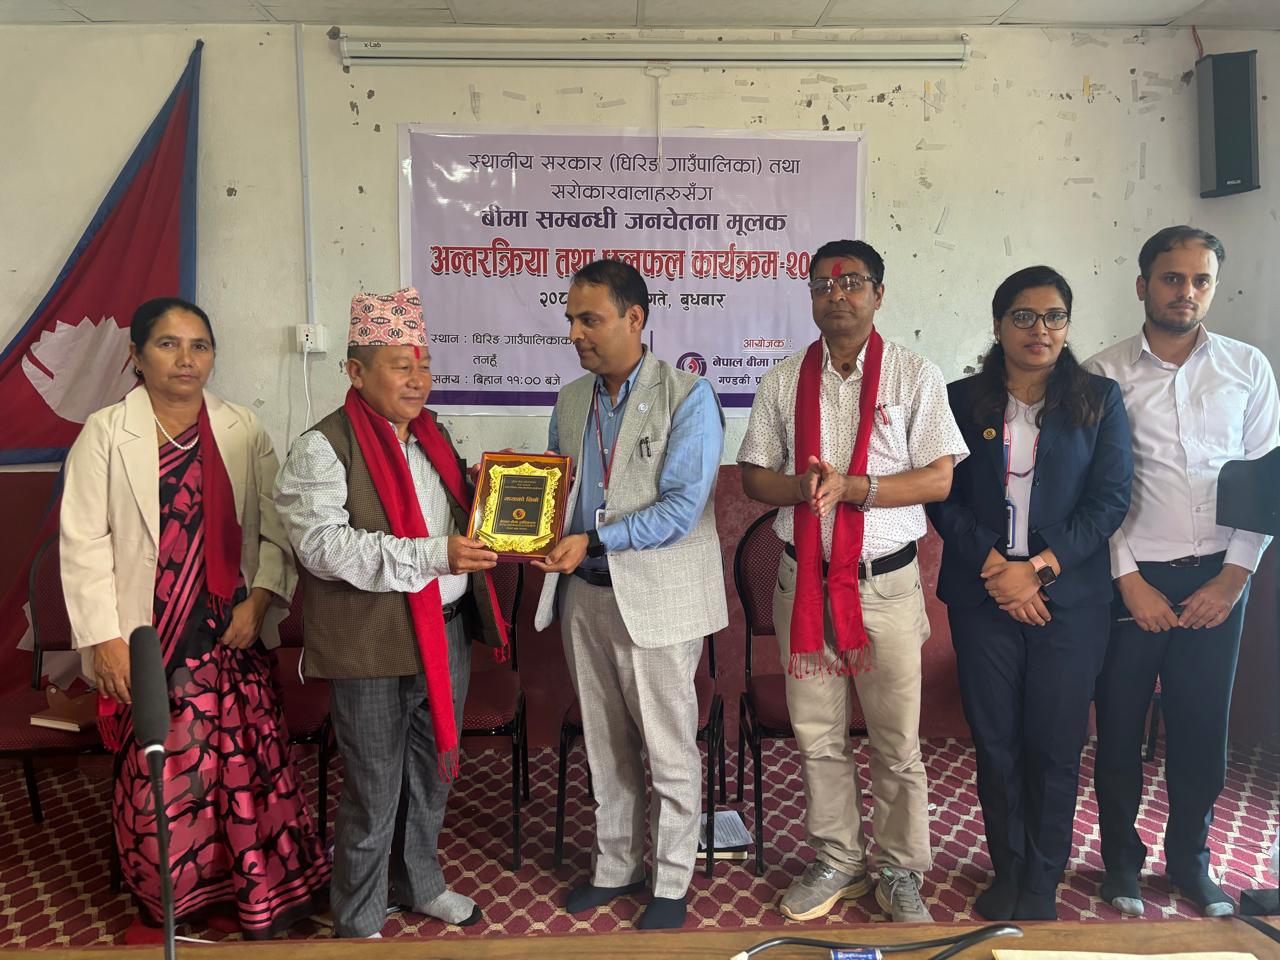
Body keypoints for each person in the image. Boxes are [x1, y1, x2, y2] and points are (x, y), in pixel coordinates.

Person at [60, 297, 329, 940]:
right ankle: (173, 904)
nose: (186, 359)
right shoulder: (106, 432)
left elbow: (277, 529)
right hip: (147, 636)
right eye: (168, 344)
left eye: (199, 345)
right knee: (167, 770)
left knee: (247, 765)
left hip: (230, 629)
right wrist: (104, 639)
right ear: (136, 355)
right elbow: (83, 541)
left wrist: (260, 600)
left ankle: (259, 895)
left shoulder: (242, 427)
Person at [738, 239, 968, 924]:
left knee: (896, 741)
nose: (836, 296)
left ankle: (899, 868)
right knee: (818, 735)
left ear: (879, 294)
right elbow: (753, 476)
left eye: (852, 284)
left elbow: (939, 477)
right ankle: (839, 858)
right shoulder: (783, 379)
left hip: (885, 586)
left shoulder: (914, 375)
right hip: (803, 584)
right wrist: (802, 487)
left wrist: (856, 489)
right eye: (822, 286)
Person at [274, 287, 508, 939]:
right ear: (355, 371)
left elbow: (458, 519)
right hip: (370, 644)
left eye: (424, 365)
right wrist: (435, 554)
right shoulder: (323, 447)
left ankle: (419, 883)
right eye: (401, 365)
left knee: (432, 775)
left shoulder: (435, 438)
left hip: (445, 635)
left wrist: (501, 515)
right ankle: (360, 916)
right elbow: (323, 548)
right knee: (374, 787)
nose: (418, 379)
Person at [926, 266, 1133, 921]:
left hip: (1069, 603)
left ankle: (1042, 881)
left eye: (1054, 316)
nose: (1039, 329)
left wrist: (1037, 568)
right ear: (998, 324)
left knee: (1055, 745)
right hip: (983, 597)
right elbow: (944, 497)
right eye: (1023, 316)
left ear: (1067, 325)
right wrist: (996, 565)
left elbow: (1109, 502)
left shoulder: (1099, 400)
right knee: (996, 743)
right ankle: (1007, 869)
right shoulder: (961, 400)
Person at [1085, 226, 1279, 918]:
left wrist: (1233, 579)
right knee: (1119, 731)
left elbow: (1267, 481)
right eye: (1172, 278)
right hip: (1131, 583)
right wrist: (1128, 580)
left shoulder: (1248, 368)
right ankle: (1120, 862)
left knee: (1201, 732)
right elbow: (1094, 491)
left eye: (1201, 280)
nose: (1186, 292)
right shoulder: (1102, 374)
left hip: (1218, 583)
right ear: (1143, 285)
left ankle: (1191, 863)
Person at [531, 259, 727, 931]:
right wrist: (517, 517)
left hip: (658, 598)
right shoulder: (570, 401)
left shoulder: (687, 396)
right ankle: (617, 866)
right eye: (570, 320)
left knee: (668, 748)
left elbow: (680, 510)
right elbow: (553, 490)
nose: (575, 334)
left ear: (634, 318)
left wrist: (592, 538)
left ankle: (671, 880)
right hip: (583, 598)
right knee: (604, 744)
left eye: (590, 319)